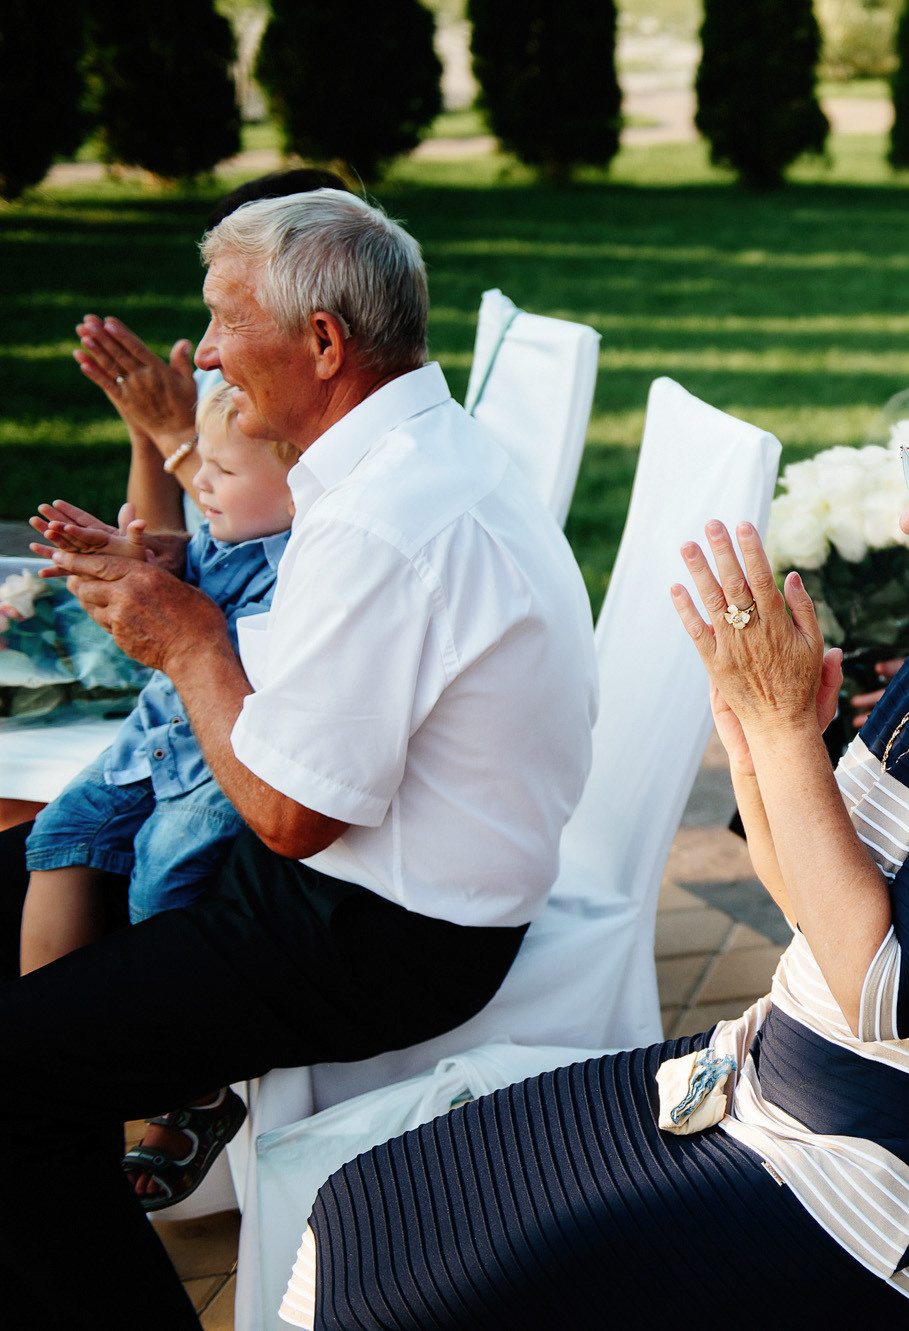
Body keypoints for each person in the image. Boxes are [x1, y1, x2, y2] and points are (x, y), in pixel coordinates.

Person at [275, 335, 909, 1329]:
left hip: (887, 1192)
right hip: (765, 1083)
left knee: (427, 1298)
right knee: (375, 1206)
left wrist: (790, 728)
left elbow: (883, 991)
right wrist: (753, 729)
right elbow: (803, 899)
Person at [0, 189, 598, 1331]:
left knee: (12, 1085)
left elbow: (288, 813)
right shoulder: (389, 454)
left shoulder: (388, 516)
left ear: (323, 343)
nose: (210, 352)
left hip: (379, 926)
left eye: (226, 323)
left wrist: (185, 638)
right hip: (335, 875)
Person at [21, 384, 296, 1208]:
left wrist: (175, 596)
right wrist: (145, 560)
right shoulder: (228, 529)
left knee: (160, 878)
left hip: (216, 764)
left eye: (216, 469)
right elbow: (174, 553)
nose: (199, 483)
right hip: (152, 740)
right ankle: (54, 1041)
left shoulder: (308, 568)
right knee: (58, 837)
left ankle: (196, 1090)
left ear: (298, 483)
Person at [70, 169, 352, 516]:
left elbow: (253, 534)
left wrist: (173, 433)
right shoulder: (216, 378)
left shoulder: (309, 406)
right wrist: (146, 430)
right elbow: (166, 539)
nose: (205, 355)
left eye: (233, 315)